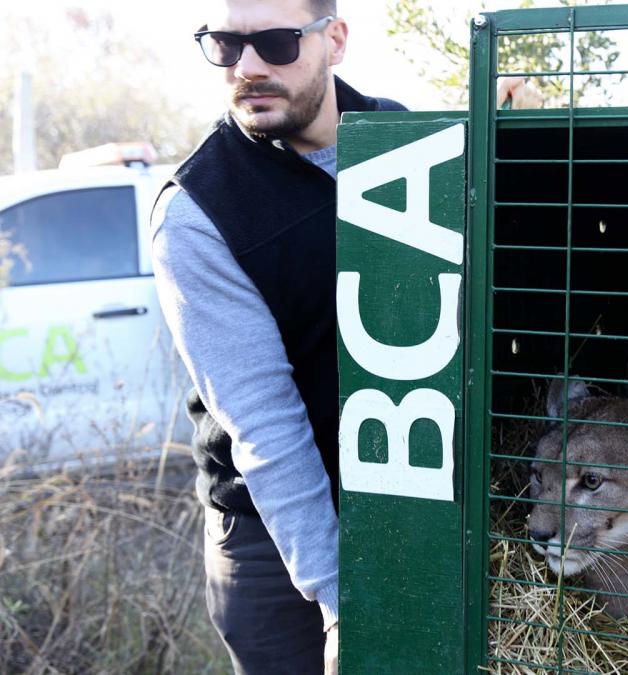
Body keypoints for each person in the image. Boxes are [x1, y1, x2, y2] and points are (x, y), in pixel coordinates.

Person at [150, 1, 402, 673]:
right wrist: (342, 601)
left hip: (402, 495)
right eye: (226, 46)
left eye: (277, 42)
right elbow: (264, 422)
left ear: (335, 41)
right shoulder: (199, 211)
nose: (249, 66)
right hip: (275, 534)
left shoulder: (408, 145)